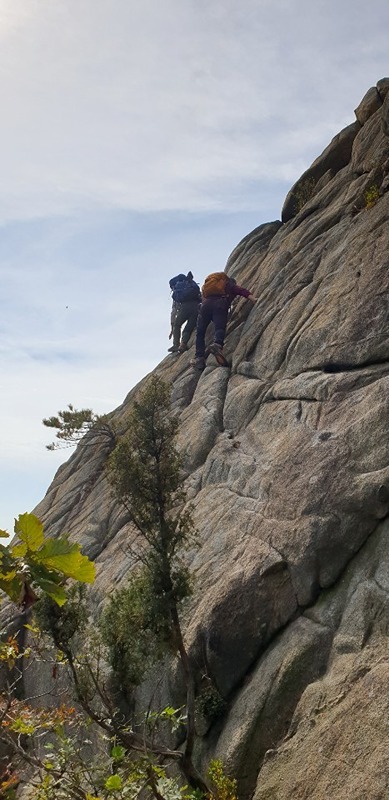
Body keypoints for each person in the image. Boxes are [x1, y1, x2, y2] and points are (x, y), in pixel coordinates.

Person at [192, 272, 257, 369]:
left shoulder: (211, 288)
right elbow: (242, 291)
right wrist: (253, 299)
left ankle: (199, 358)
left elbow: (203, 299)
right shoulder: (230, 285)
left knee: (200, 333)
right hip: (219, 305)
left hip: (205, 307)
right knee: (219, 327)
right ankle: (217, 345)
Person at [168, 271, 201, 354]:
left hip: (185, 306)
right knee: (189, 327)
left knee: (177, 324)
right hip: (196, 306)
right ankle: (183, 344)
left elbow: (174, 310)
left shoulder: (179, 288)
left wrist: (172, 326)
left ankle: (176, 344)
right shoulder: (191, 284)